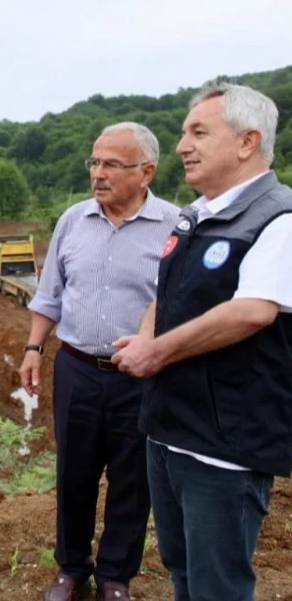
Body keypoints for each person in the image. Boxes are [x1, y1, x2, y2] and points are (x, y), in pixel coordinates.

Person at [112, 82, 292, 601]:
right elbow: (164, 294)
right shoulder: (196, 215)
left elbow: (252, 311)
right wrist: (146, 336)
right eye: (183, 132)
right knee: (183, 568)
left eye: (198, 132)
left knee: (219, 584)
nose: (181, 146)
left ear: (247, 141)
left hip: (224, 445)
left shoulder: (278, 218)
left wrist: (157, 352)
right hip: (170, 430)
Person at [20, 121, 180, 601]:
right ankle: (71, 569)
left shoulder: (177, 225)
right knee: (74, 472)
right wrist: (33, 347)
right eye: (94, 162)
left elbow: (182, 302)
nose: (98, 173)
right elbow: (50, 293)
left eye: (112, 163)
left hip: (142, 376)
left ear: (146, 171)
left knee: (133, 477)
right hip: (76, 369)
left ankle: (115, 577)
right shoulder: (73, 220)